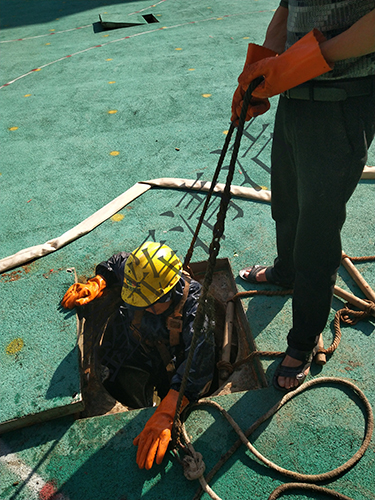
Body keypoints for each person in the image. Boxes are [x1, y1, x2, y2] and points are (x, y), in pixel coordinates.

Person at [231, 2, 375, 392]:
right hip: (293, 93)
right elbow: (289, 4)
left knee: (317, 228)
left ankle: (304, 338)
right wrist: (260, 67)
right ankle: (286, 270)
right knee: (288, 202)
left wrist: (310, 57)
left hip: (341, 98)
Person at [61, 241, 215, 469]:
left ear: (167, 295)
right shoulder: (140, 276)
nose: (141, 308)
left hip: (172, 367)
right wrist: (98, 281)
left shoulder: (196, 307)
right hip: (133, 353)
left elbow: (199, 364)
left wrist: (168, 411)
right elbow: (116, 263)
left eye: (147, 305)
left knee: (171, 396)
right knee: (122, 383)